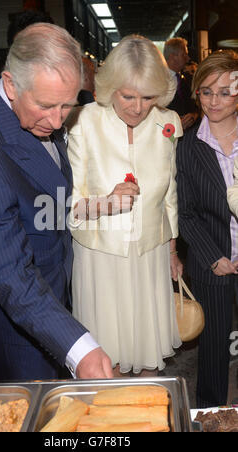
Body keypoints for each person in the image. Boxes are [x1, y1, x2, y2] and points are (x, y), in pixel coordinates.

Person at [0, 23, 113, 381]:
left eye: (67, 105)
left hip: (54, 288)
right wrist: (78, 347)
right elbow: (10, 272)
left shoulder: (35, 107)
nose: (56, 120)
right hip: (18, 320)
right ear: (9, 84)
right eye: (46, 106)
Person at [66, 35, 183, 378]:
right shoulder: (82, 120)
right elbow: (67, 204)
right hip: (100, 255)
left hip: (151, 251)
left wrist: (173, 249)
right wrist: (105, 203)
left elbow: (170, 193)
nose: (137, 107)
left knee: (149, 346)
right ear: (110, 87)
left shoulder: (168, 121)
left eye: (148, 97)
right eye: (127, 95)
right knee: (105, 355)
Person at [176, 49, 238, 408]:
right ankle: (210, 416)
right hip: (210, 261)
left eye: (224, 92)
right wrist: (215, 257)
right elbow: (185, 213)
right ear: (196, 92)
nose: (215, 101)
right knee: (214, 350)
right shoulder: (186, 146)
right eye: (206, 91)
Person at [164, 38, 199, 131]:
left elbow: (194, 105)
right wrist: (175, 123)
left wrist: (193, 116)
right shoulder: (157, 81)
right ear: (173, 57)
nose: (188, 58)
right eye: (184, 55)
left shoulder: (186, 78)